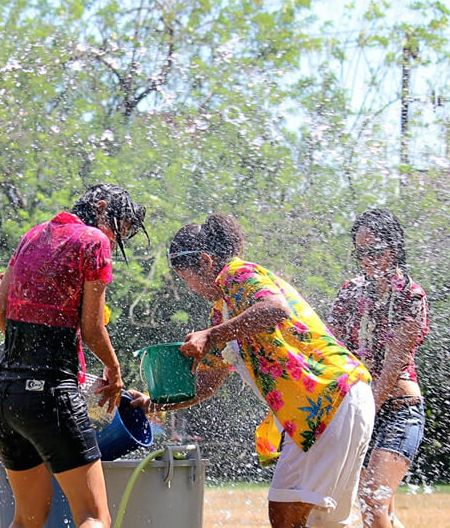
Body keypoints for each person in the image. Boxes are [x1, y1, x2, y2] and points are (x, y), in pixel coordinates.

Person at [129, 213, 374, 528]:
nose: (190, 289)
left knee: (286, 515)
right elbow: (206, 383)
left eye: (185, 277)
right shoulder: (221, 314)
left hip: (329, 398)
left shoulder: (239, 274)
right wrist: (154, 401)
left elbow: (275, 309)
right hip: (334, 402)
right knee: (322, 522)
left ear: (205, 262)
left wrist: (210, 337)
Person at [0, 184, 147, 528]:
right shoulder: (92, 240)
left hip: (4, 396)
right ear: (101, 207)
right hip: (51, 396)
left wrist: (31, 354)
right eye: (118, 228)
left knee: (28, 519)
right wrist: (114, 372)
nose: (115, 239)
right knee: (93, 516)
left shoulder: (32, 235)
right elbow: (91, 329)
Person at [328, 209, 429, 528]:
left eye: (374, 251)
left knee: (372, 500)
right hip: (359, 408)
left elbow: (391, 367)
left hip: (399, 411)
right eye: (360, 253)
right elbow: (328, 347)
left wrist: (364, 414)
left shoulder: (411, 296)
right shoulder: (350, 291)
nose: (367, 260)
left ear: (395, 249)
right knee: (381, 511)